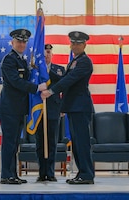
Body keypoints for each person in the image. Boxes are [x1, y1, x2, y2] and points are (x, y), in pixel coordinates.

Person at [41, 31, 95, 184]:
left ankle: (87, 174)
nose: (75, 46)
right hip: (73, 107)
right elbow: (63, 79)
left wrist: (50, 91)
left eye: (78, 43)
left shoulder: (84, 61)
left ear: (84, 45)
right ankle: (82, 172)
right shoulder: (73, 62)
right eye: (73, 43)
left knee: (82, 142)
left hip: (80, 107)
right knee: (77, 142)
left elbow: (69, 80)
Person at [0, 28, 47, 185]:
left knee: (14, 144)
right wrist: (37, 88)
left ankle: (13, 174)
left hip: (18, 109)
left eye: (24, 42)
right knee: (9, 143)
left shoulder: (22, 60)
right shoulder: (9, 60)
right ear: (12, 42)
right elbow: (16, 82)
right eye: (19, 41)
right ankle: (6, 175)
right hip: (9, 108)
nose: (21, 44)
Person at [35, 44, 65, 182]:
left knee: (52, 142)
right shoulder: (35, 70)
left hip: (53, 109)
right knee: (40, 142)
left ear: (52, 54)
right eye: (44, 52)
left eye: (48, 52)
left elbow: (64, 87)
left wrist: (63, 108)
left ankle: (51, 172)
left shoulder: (59, 70)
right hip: (38, 110)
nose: (46, 55)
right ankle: (42, 172)